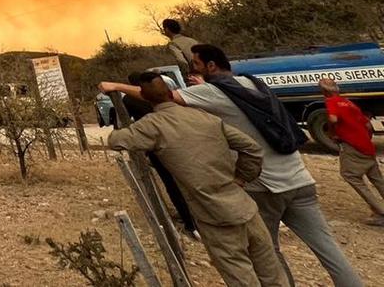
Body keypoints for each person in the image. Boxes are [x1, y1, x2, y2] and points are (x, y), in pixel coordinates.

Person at [103, 44, 363, 287]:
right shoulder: (251, 82)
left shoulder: (212, 93)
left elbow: (163, 98)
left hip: (265, 187)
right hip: (299, 177)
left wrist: (116, 85)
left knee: (264, 256)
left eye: (195, 64)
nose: (192, 69)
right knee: (329, 251)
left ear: (211, 66)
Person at [107, 74, 286, 287]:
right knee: (273, 274)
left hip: (212, 214)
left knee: (240, 276)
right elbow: (252, 149)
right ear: (171, 92)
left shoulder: (153, 125)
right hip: (245, 207)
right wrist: (241, 178)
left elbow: (116, 141)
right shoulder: (205, 117)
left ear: (144, 97)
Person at [123, 71, 199, 237]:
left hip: (154, 144)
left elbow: (124, 124)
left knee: (171, 184)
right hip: (177, 139)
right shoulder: (162, 95)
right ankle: (198, 218)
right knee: (188, 178)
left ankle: (189, 223)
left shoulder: (128, 99)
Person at [319, 78, 384, 224]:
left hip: (353, 145)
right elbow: (367, 124)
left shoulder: (331, 102)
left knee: (350, 175)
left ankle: (380, 211)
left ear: (323, 91)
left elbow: (333, 119)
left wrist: (332, 132)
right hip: (366, 145)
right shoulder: (348, 102)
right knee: (377, 178)